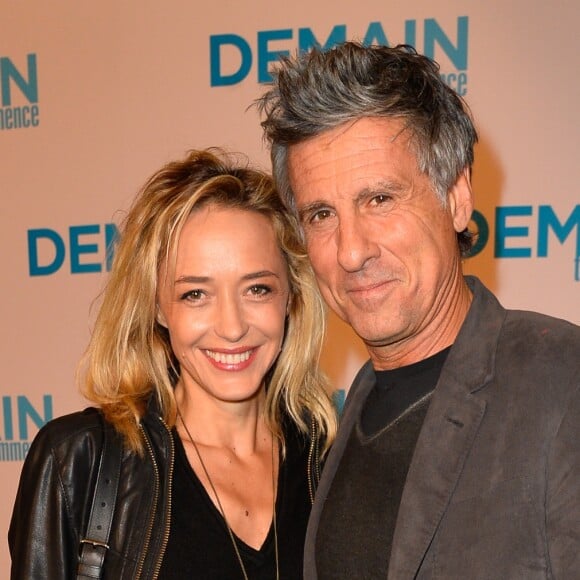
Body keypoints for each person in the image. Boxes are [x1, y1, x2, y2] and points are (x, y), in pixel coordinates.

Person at [257, 42, 580, 579]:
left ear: (456, 197)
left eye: (379, 200)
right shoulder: (349, 416)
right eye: (321, 214)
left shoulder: (560, 380)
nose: (351, 251)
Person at [9, 149, 337, 579]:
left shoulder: (328, 461)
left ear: (291, 297)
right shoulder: (78, 462)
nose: (232, 327)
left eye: (257, 289)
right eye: (195, 294)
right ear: (159, 307)